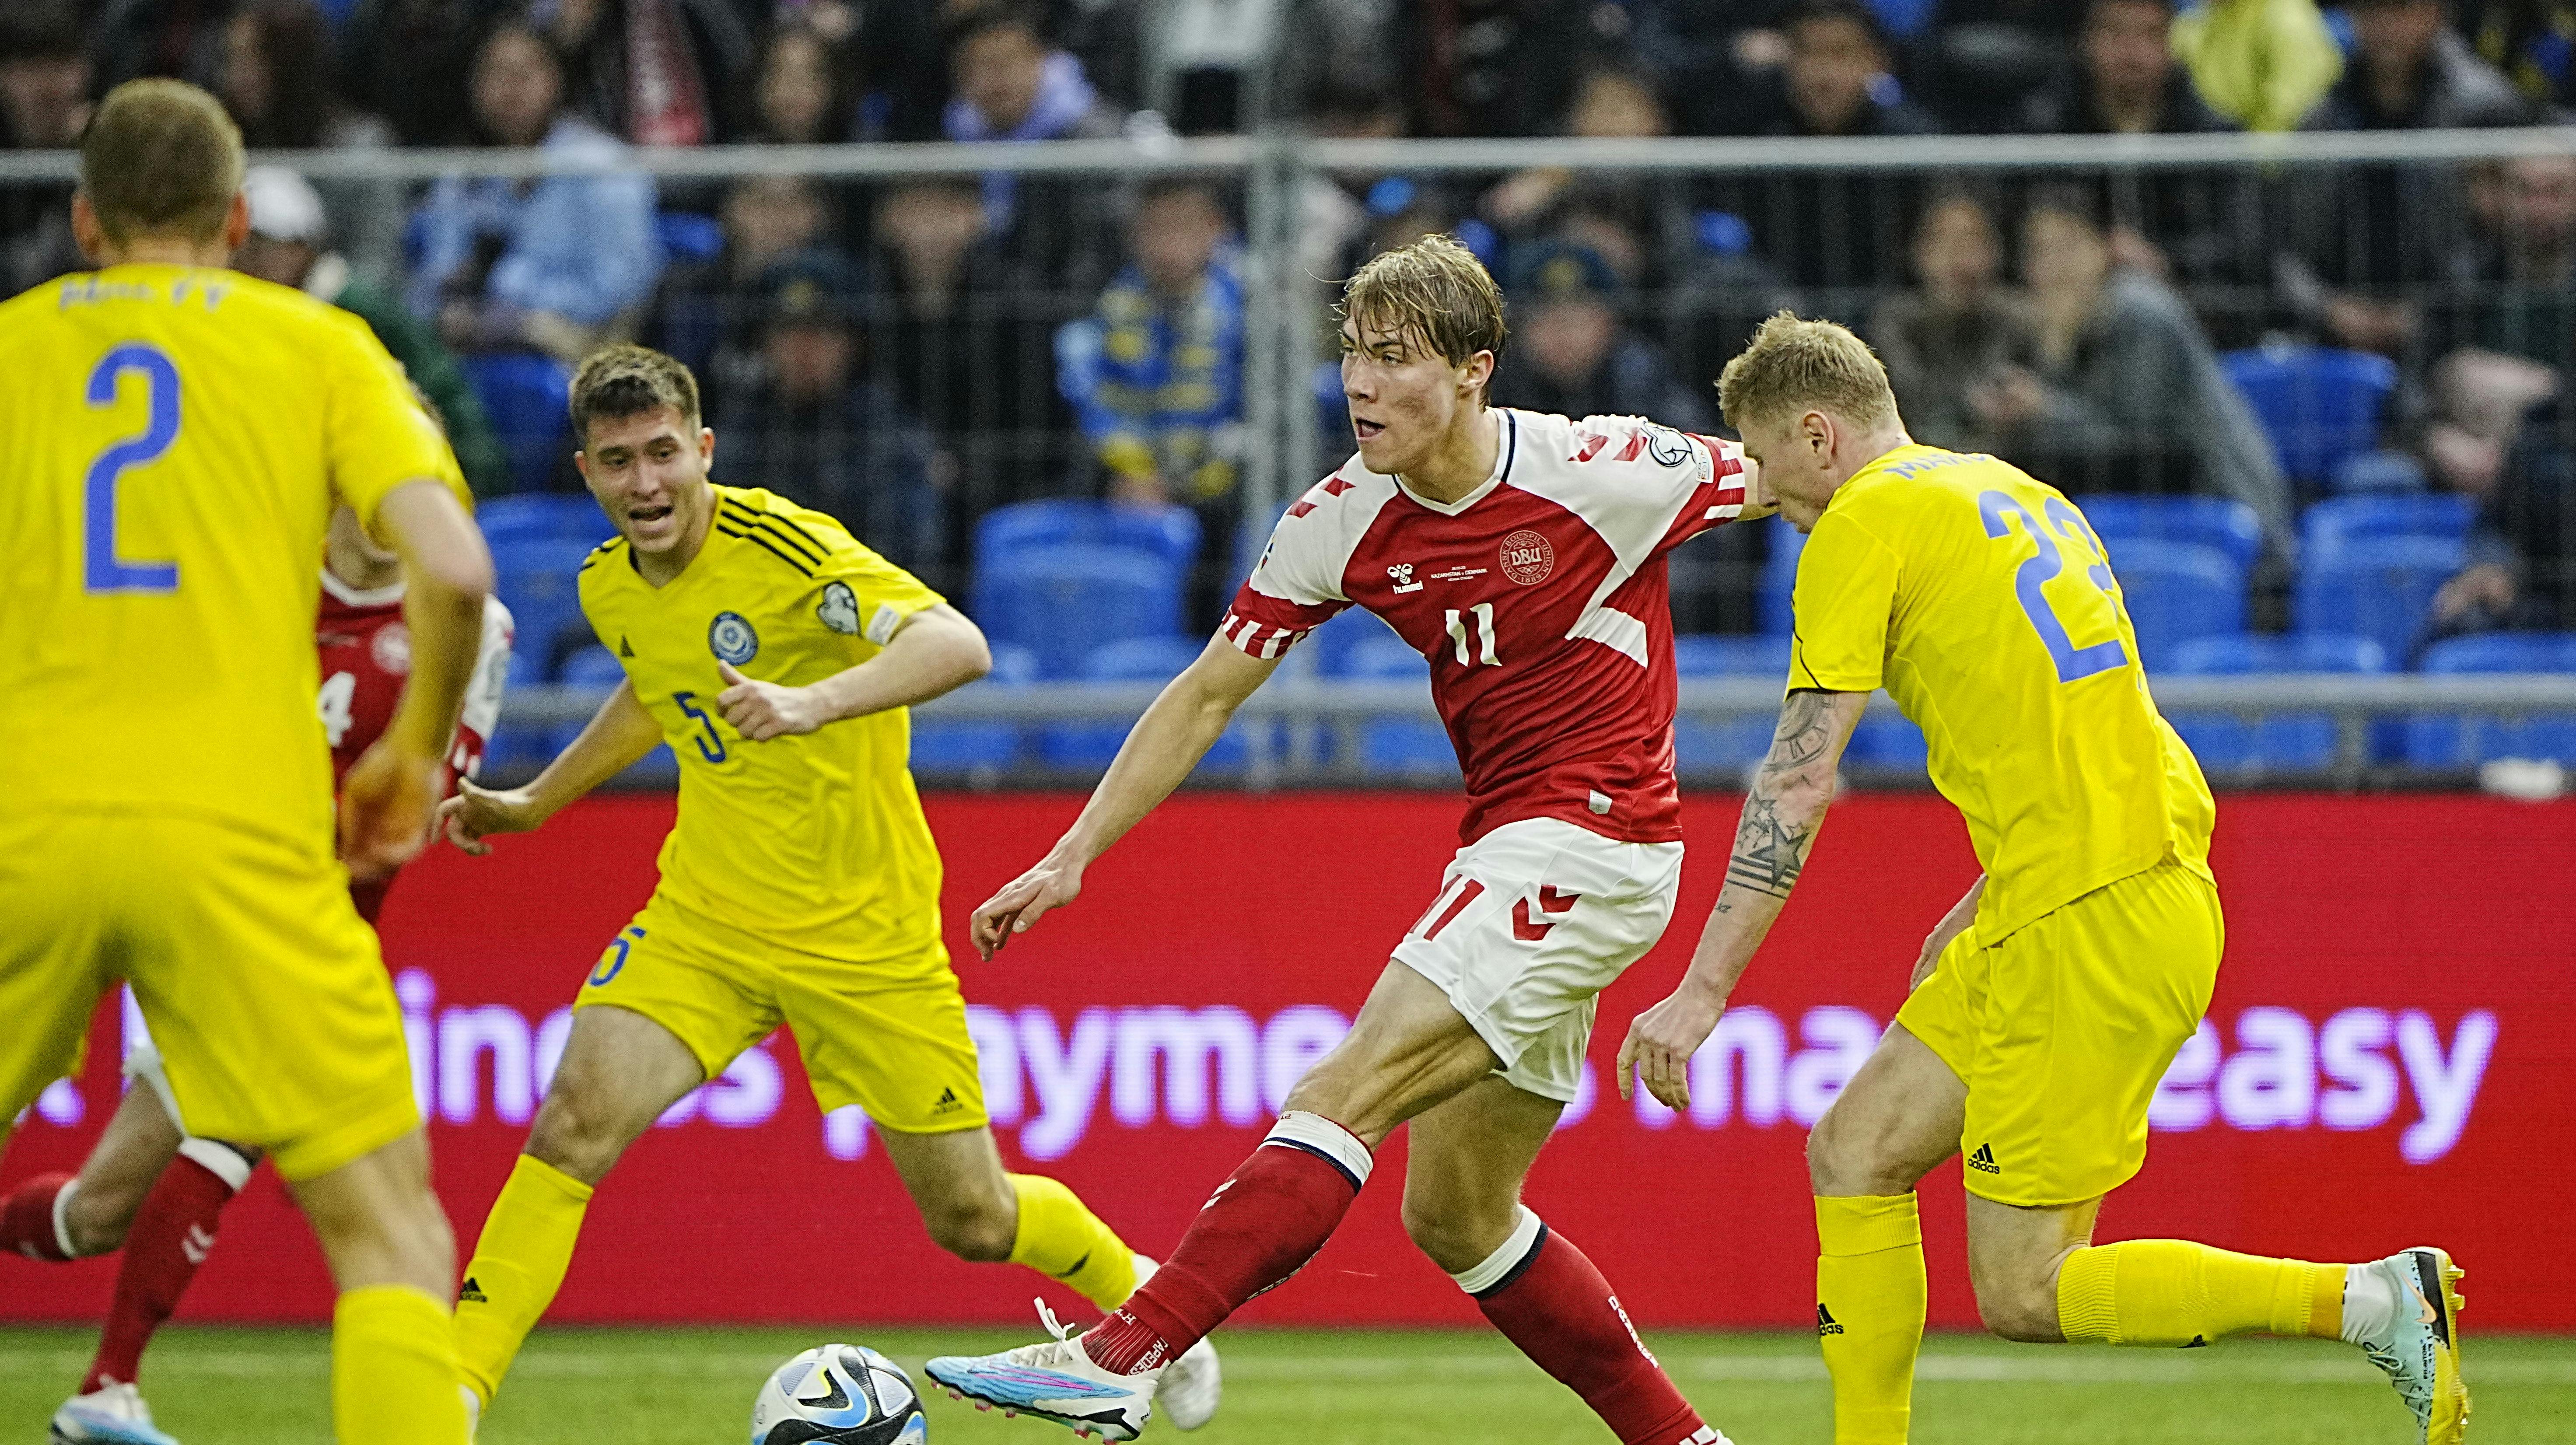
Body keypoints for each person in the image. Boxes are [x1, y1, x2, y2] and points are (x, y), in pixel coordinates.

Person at [924, 232, 1767, 1445]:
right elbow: (1207, 692)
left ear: (1474, 370)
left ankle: (1123, 1353)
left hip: (1590, 836)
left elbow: (1808, 475)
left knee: (1342, 1087)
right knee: (1459, 1216)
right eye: (1353, 355)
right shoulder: (1340, 517)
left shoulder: (1602, 465)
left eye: (1395, 358)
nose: (1362, 384)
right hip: (1522, 844)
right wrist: (1073, 851)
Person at [1615, 312, 2469, 1445]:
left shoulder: (1861, 522)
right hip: (2089, 882)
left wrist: (1704, 987)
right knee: (1855, 1149)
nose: (1774, 501)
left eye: (1773, 468)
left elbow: (1798, 779)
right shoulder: (2017, 493)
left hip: (2089, 911)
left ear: (1818, 435)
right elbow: (2094, 727)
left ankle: (2370, 1299)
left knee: (2026, 1289)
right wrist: (1984, 894)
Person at [428, 344, 1219, 1438]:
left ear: (703, 448)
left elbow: (958, 643)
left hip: (864, 937)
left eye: (663, 453)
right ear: (586, 471)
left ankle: (1141, 1290)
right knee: (570, 1127)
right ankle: (443, 1401)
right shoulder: (607, 581)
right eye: (618, 461)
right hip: (705, 921)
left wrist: (814, 701)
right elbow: (657, 687)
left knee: (974, 1218)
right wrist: (533, 801)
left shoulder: (785, 547)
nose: (645, 482)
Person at [0, 78, 492, 1445]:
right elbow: (454, 570)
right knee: (390, 1230)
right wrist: (408, 754)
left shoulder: (13, 348)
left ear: (85, 221)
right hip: (240, 839)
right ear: (233, 220)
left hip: (23, 823)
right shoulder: (317, 345)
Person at [5, 502, 514, 1445]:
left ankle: (109, 1386)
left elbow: (422, 802)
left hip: (308, 926)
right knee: (283, 1160)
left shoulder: (469, 625)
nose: (378, 507)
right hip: (191, 894)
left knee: (94, 1214)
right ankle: (108, 1388)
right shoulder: (254, 579)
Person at [1985, 190, 2294, 553]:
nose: (2055, 266)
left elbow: (2143, 444)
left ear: (2104, 250)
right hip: (2147, 510)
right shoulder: (2055, 323)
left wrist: (2045, 409)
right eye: (2040, 252)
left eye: (2068, 246)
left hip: (2223, 506)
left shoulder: (2141, 313)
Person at [235, 166, 511, 497]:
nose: (250, 265)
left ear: (302, 247)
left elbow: (442, 399)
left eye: (262, 248)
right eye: (242, 251)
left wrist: (473, 475)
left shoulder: (356, 309)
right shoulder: (266, 312)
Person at [407, 17, 664, 367]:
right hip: (468, 346)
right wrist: (453, 305)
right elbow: (435, 277)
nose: (510, 89)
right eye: (496, 73)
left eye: (524, 73)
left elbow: (619, 289)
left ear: (556, 78)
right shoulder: (461, 174)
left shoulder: (603, 166)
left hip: (577, 345)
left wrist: (516, 306)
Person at [714, 249, 945, 575]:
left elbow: (912, 554)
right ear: (763, 343)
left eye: (822, 332)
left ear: (854, 344)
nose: (803, 349)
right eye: (787, 332)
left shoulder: (888, 432)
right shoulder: (739, 429)